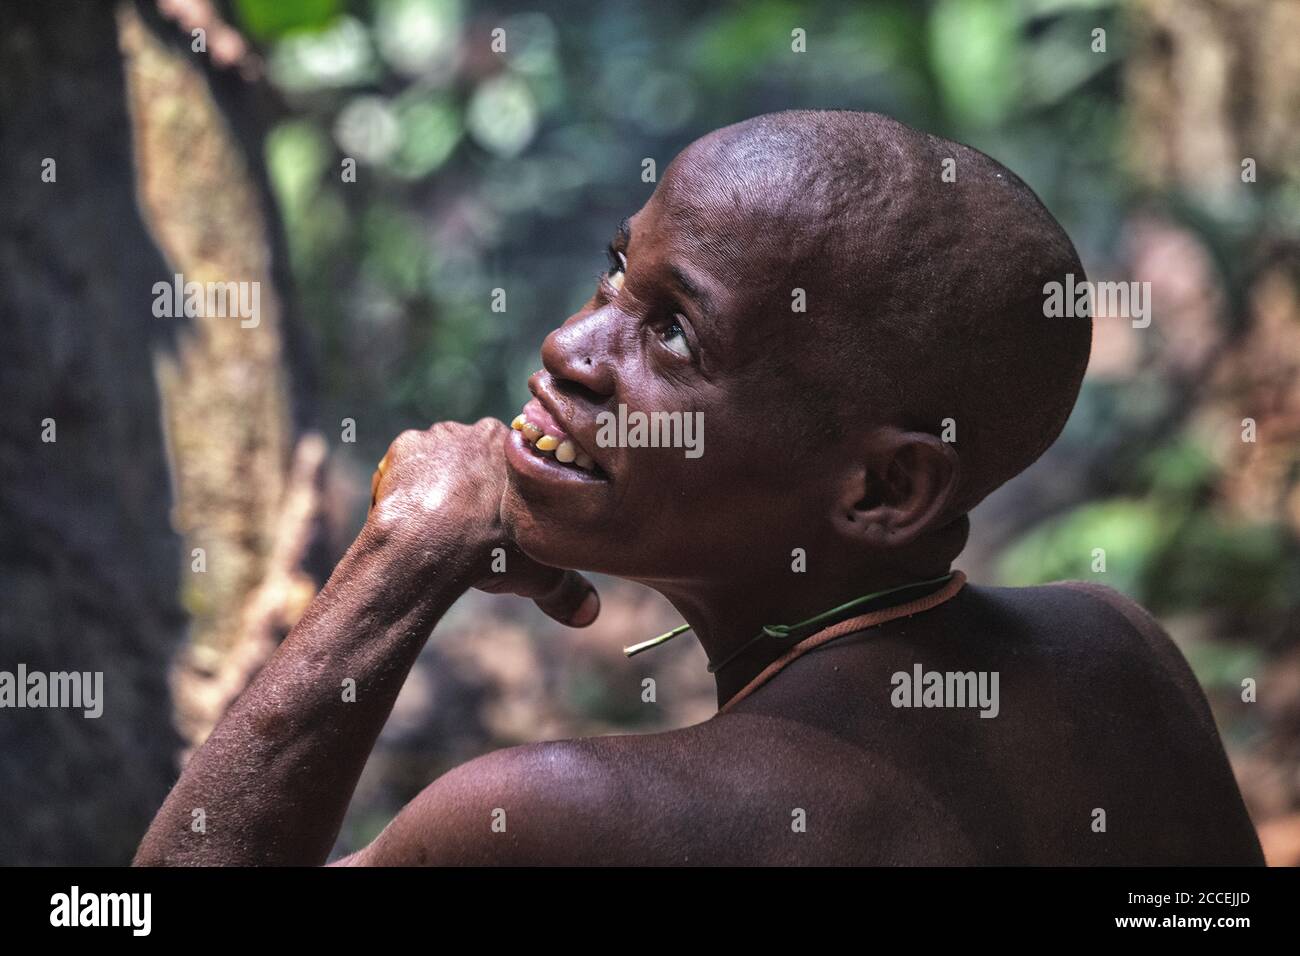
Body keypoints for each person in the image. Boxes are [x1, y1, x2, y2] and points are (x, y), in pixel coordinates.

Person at [134, 111, 1264, 866]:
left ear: (883, 486)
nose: (572, 345)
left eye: (672, 332)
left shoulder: (563, 815)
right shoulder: (1112, 655)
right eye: (616, 274)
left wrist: (401, 556)